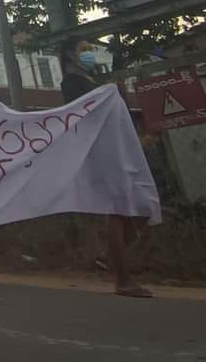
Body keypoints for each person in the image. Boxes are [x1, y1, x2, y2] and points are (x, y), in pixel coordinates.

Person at [60, 40, 152, 299]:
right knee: (119, 210)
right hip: (101, 150)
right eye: (83, 49)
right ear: (70, 55)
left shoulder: (90, 80)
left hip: (114, 148)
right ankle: (122, 278)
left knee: (142, 206)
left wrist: (117, 96)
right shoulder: (72, 83)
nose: (88, 53)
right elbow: (87, 112)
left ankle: (110, 257)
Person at [59, 38, 100, 104]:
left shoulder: (91, 78)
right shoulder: (70, 83)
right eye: (83, 50)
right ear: (71, 54)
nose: (89, 53)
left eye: (90, 49)